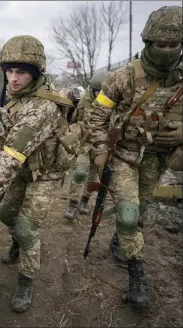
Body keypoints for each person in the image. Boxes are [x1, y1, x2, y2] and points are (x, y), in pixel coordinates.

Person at [86, 5, 182, 309]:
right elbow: (96, 117)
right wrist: (101, 151)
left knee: (138, 213)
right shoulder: (121, 77)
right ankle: (137, 278)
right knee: (128, 215)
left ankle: (121, 240)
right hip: (124, 157)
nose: (167, 51)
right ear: (148, 43)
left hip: (157, 160)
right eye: (160, 45)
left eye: (174, 45)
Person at [0, 35, 76, 313]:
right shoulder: (17, 98)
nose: (13, 79)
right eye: (9, 72)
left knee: (26, 228)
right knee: (7, 216)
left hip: (45, 174)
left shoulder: (43, 108)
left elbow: (11, 156)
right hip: (23, 170)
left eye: (21, 73)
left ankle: (25, 281)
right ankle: (18, 244)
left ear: (35, 74)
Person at [63, 73, 108, 221]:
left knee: (93, 175)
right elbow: (74, 119)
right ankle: (73, 203)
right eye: (97, 92)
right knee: (80, 172)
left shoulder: (112, 104)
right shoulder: (84, 101)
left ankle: (85, 199)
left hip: (100, 145)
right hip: (84, 144)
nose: (100, 95)